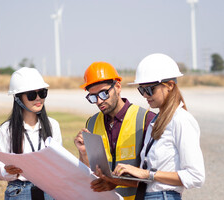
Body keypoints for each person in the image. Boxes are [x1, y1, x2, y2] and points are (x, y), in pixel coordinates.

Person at [93, 54, 205, 200]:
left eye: (150, 89)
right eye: (142, 90)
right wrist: (116, 182)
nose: (145, 95)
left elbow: (195, 176)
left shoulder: (181, 120)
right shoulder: (158, 121)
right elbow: (151, 181)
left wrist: (146, 173)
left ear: (170, 85)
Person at [74, 62, 156, 200]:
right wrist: (83, 153)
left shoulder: (146, 120)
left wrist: (116, 181)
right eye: (93, 97)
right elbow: (89, 173)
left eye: (104, 93)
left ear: (118, 86)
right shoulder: (92, 123)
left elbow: (156, 178)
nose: (99, 101)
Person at [0, 67, 62, 200]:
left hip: (49, 190)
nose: (38, 99)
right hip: (19, 191)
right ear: (18, 98)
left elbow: (58, 163)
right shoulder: (6, 130)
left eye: (42, 93)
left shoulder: (53, 126)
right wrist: (7, 171)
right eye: (31, 95)